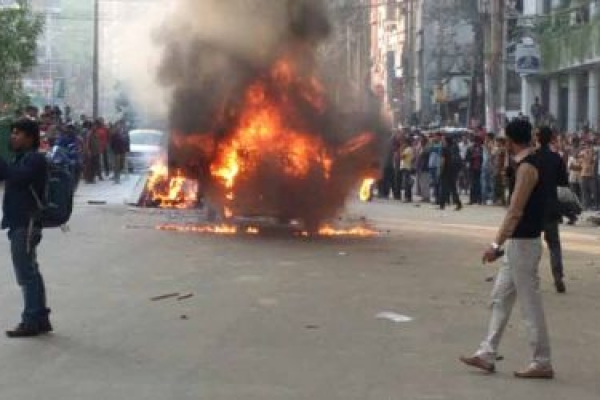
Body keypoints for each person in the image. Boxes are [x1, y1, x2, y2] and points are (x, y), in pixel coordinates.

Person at [460, 119, 554, 379]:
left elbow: (515, 211)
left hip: (524, 244)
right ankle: (486, 353)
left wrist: (495, 245)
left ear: (511, 141)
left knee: (529, 305)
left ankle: (542, 361)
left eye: (505, 141)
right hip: (519, 245)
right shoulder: (527, 164)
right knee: (500, 298)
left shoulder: (527, 168)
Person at [0, 119, 52, 337]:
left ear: (30, 138)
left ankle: (30, 320)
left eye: (17, 133)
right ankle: (40, 317)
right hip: (19, 222)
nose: (13, 136)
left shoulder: (35, 160)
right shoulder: (22, 158)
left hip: (26, 223)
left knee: (26, 274)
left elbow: (17, 178)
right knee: (32, 270)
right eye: (12, 132)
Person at [537, 127, 569, 293]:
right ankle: (558, 276)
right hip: (550, 205)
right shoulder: (556, 158)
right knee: (554, 243)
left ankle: (529, 276)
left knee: (530, 243)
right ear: (551, 139)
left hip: (534, 206)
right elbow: (564, 181)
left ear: (537, 138)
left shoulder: (533, 158)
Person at [439, 136, 462, 211]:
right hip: (453, 169)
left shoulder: (444, 149)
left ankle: (442, 205)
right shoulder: (455, 147)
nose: (442, 141)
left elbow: (443, 160)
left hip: (446, 170)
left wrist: (441, 170)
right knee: (453, 188)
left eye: (443, 140)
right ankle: (458, 203)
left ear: (446, 141)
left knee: (443, 188)